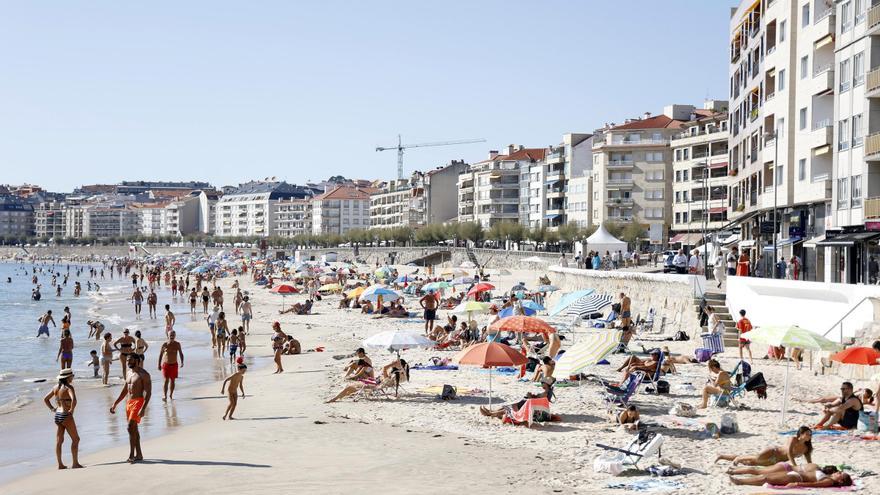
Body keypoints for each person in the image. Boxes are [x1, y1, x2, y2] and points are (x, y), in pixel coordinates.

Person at [109, 353, 152, 463]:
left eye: (131, 360)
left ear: (137, 360)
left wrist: (143, 408)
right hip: (129, 402)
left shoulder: (144, 374)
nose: (128, 362)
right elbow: (125, 391)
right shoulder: (128, 373)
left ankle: (131, 455)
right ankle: (139, 454)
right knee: (134, 429)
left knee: (129, 427)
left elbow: (148, 392)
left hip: (138, 402)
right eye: (127, 360)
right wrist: (115, 403)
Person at [43, 368, 82, 469]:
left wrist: (52, 409)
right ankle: (75, 463)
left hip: (58, 415)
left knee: (59, 441)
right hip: (66, 415)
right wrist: (72, 411)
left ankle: (60, 464)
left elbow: (46, 399)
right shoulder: (69, 387)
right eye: (72, 376)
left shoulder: (56, 387)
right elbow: (74, 400)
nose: (73, 377)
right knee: (76, 439)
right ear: (68, 377)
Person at [715, 426, 812, 466]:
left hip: (776, 461)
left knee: (749, 463)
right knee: (756, 457)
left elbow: (809, 462)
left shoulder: (806, 448)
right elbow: (790, 453)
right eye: (808, 434)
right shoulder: (793, 439)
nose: (810, 436)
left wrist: (810, 468)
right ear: (801, 434)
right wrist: (794, 466)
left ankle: (722, 456)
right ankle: (738, 458)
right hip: (773, 452)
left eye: (810, 434)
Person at [480, 378, 555, 421]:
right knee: (510, 406)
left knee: (510, 408)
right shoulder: (547, 392)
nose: (541, 385)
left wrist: (530, 397)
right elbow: (539, 400)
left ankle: (490, 414)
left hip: (534, 411)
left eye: (543, 383)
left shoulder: (546, 393)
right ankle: (491, 412)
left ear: (547, 384)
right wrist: (533, 396)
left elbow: (538, 402)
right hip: (532, 407)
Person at [728, 463, 852, 488]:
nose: (838, 472)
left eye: (840, 474)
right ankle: (741, 479)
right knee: (768, 476)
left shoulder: (828, 481)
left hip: (795, 477)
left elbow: (814, 484)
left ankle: (741, 482)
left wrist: (797, 483)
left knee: (766, 478)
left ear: (840, 481)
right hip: (793, 473)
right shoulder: (828, 476)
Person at [157, 331, 184, 402]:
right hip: (166, 365)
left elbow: (181, 353)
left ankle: (171, 394)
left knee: (173, 381)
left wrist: (182, 362)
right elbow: (160, 355)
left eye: (173, 335)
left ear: (175, 336)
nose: (172, 336)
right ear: (168, 336)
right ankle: (165, 395)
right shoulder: (165, 345)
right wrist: (159, 364)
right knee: (166, 380)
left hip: (174, 365)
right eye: (170, 335)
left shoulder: (177, 344)